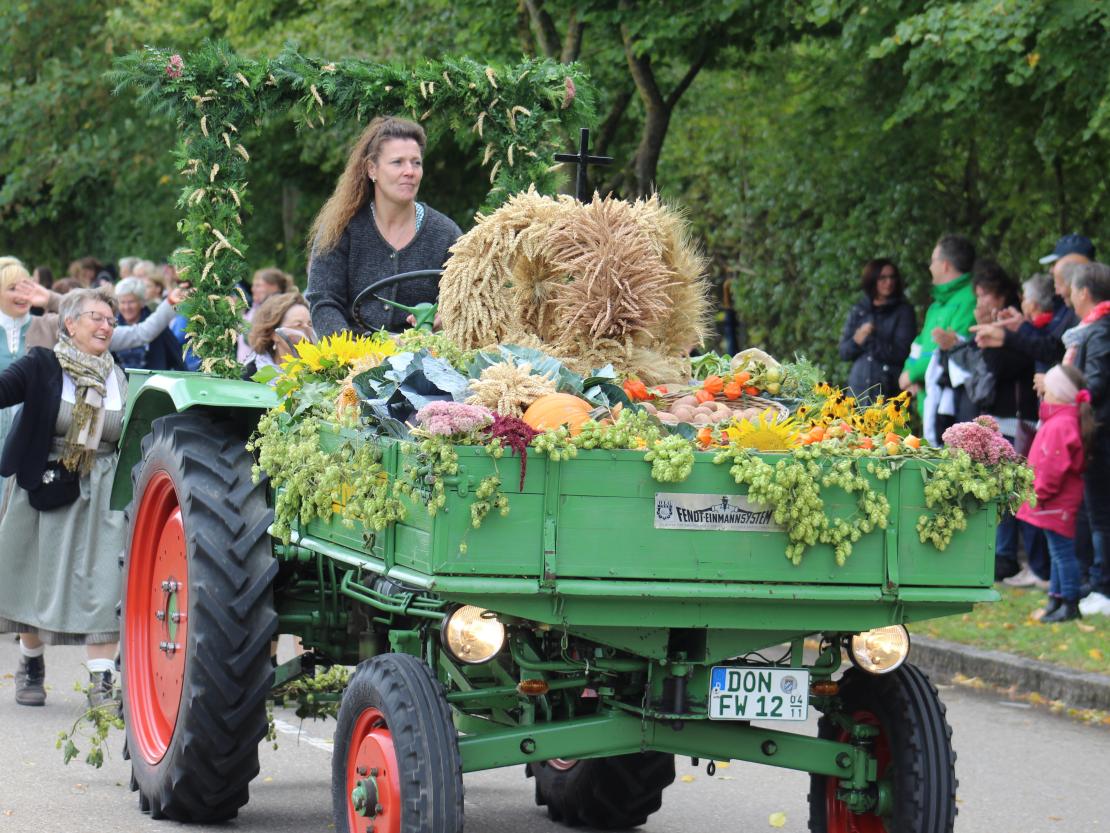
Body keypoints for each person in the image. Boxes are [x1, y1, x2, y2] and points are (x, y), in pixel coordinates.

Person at [0, 288, 129, 707]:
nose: (105, 326)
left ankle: (101, 681)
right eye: (97, 317)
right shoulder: (43, 364)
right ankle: (31, 662)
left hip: (105, 489)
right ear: (69, 323)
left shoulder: (119, 374)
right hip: (45, 483)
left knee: (107, 582)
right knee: (37, 582)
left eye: (111, 320)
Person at [306, 116, 462, 338]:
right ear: (372, 169)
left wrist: (446, 316)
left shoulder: (446, 234)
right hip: (353, 360)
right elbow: (324, 302)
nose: (410, 171)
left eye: (416, 162)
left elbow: (467, 299)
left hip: (427, 363)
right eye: (397, 162)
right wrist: (350, 355)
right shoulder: (341, 230)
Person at [1017, 365, 1094, 623]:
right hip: (1051, 500)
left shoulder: (1062, 424)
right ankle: (1056, 599)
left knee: (1062, 553)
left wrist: (1039, 492)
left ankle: (1070, 604)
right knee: (1056, 552)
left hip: (1054, 500)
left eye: (1048, 388)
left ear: (1059, 393)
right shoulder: (1059, 420)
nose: (1043, 392)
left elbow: (1053, 467)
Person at [1063, 262, 1110, 616]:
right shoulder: (1091, 329)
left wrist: (1063, 390)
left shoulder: (1100, 331)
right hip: (1095, 430)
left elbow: (1095, 383)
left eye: (1072, 292)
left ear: (1084, 293)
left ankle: (1102, 587)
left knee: (1100, 514)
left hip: (1100, 431)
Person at [899, 234, 978, 441]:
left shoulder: (970, 299)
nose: (930, 267)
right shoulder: (936, 305)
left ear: (945, 265)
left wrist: (912, 374)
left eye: (932, 261)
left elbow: (954, 350)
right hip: (929, 403)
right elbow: (918, 345)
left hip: (952, 406)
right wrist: (909, 371)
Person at [838, 259, 916, 404]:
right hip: (857, 389)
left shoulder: (903, 311)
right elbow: (844, 352)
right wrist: (857, 340)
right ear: (872, 280)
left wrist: (870, 340)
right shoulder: (860, 309)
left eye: (892, 277)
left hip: (887, 390)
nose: (889, 282)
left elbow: (902, 352)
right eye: (883, 278)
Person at [112, 278, 186, 371]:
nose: (127, 307)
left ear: (142, 302)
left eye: (131, 302)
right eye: (122, 302)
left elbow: (177, 360)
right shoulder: (111, 327)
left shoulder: (158, 328)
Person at [240, 292, 315, 380]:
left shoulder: (319, 371)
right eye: (298, 325)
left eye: (310, 325)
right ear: (274, 333)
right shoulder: (250, 376)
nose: (306, 330)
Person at [237, 267, 294, 362]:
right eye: (254, 285)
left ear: (274, 286)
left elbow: (255, 338)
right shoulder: (257, 306)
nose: (253, 289)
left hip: (263, 367)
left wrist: (238, 323)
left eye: (258, 285)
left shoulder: (277, 308)